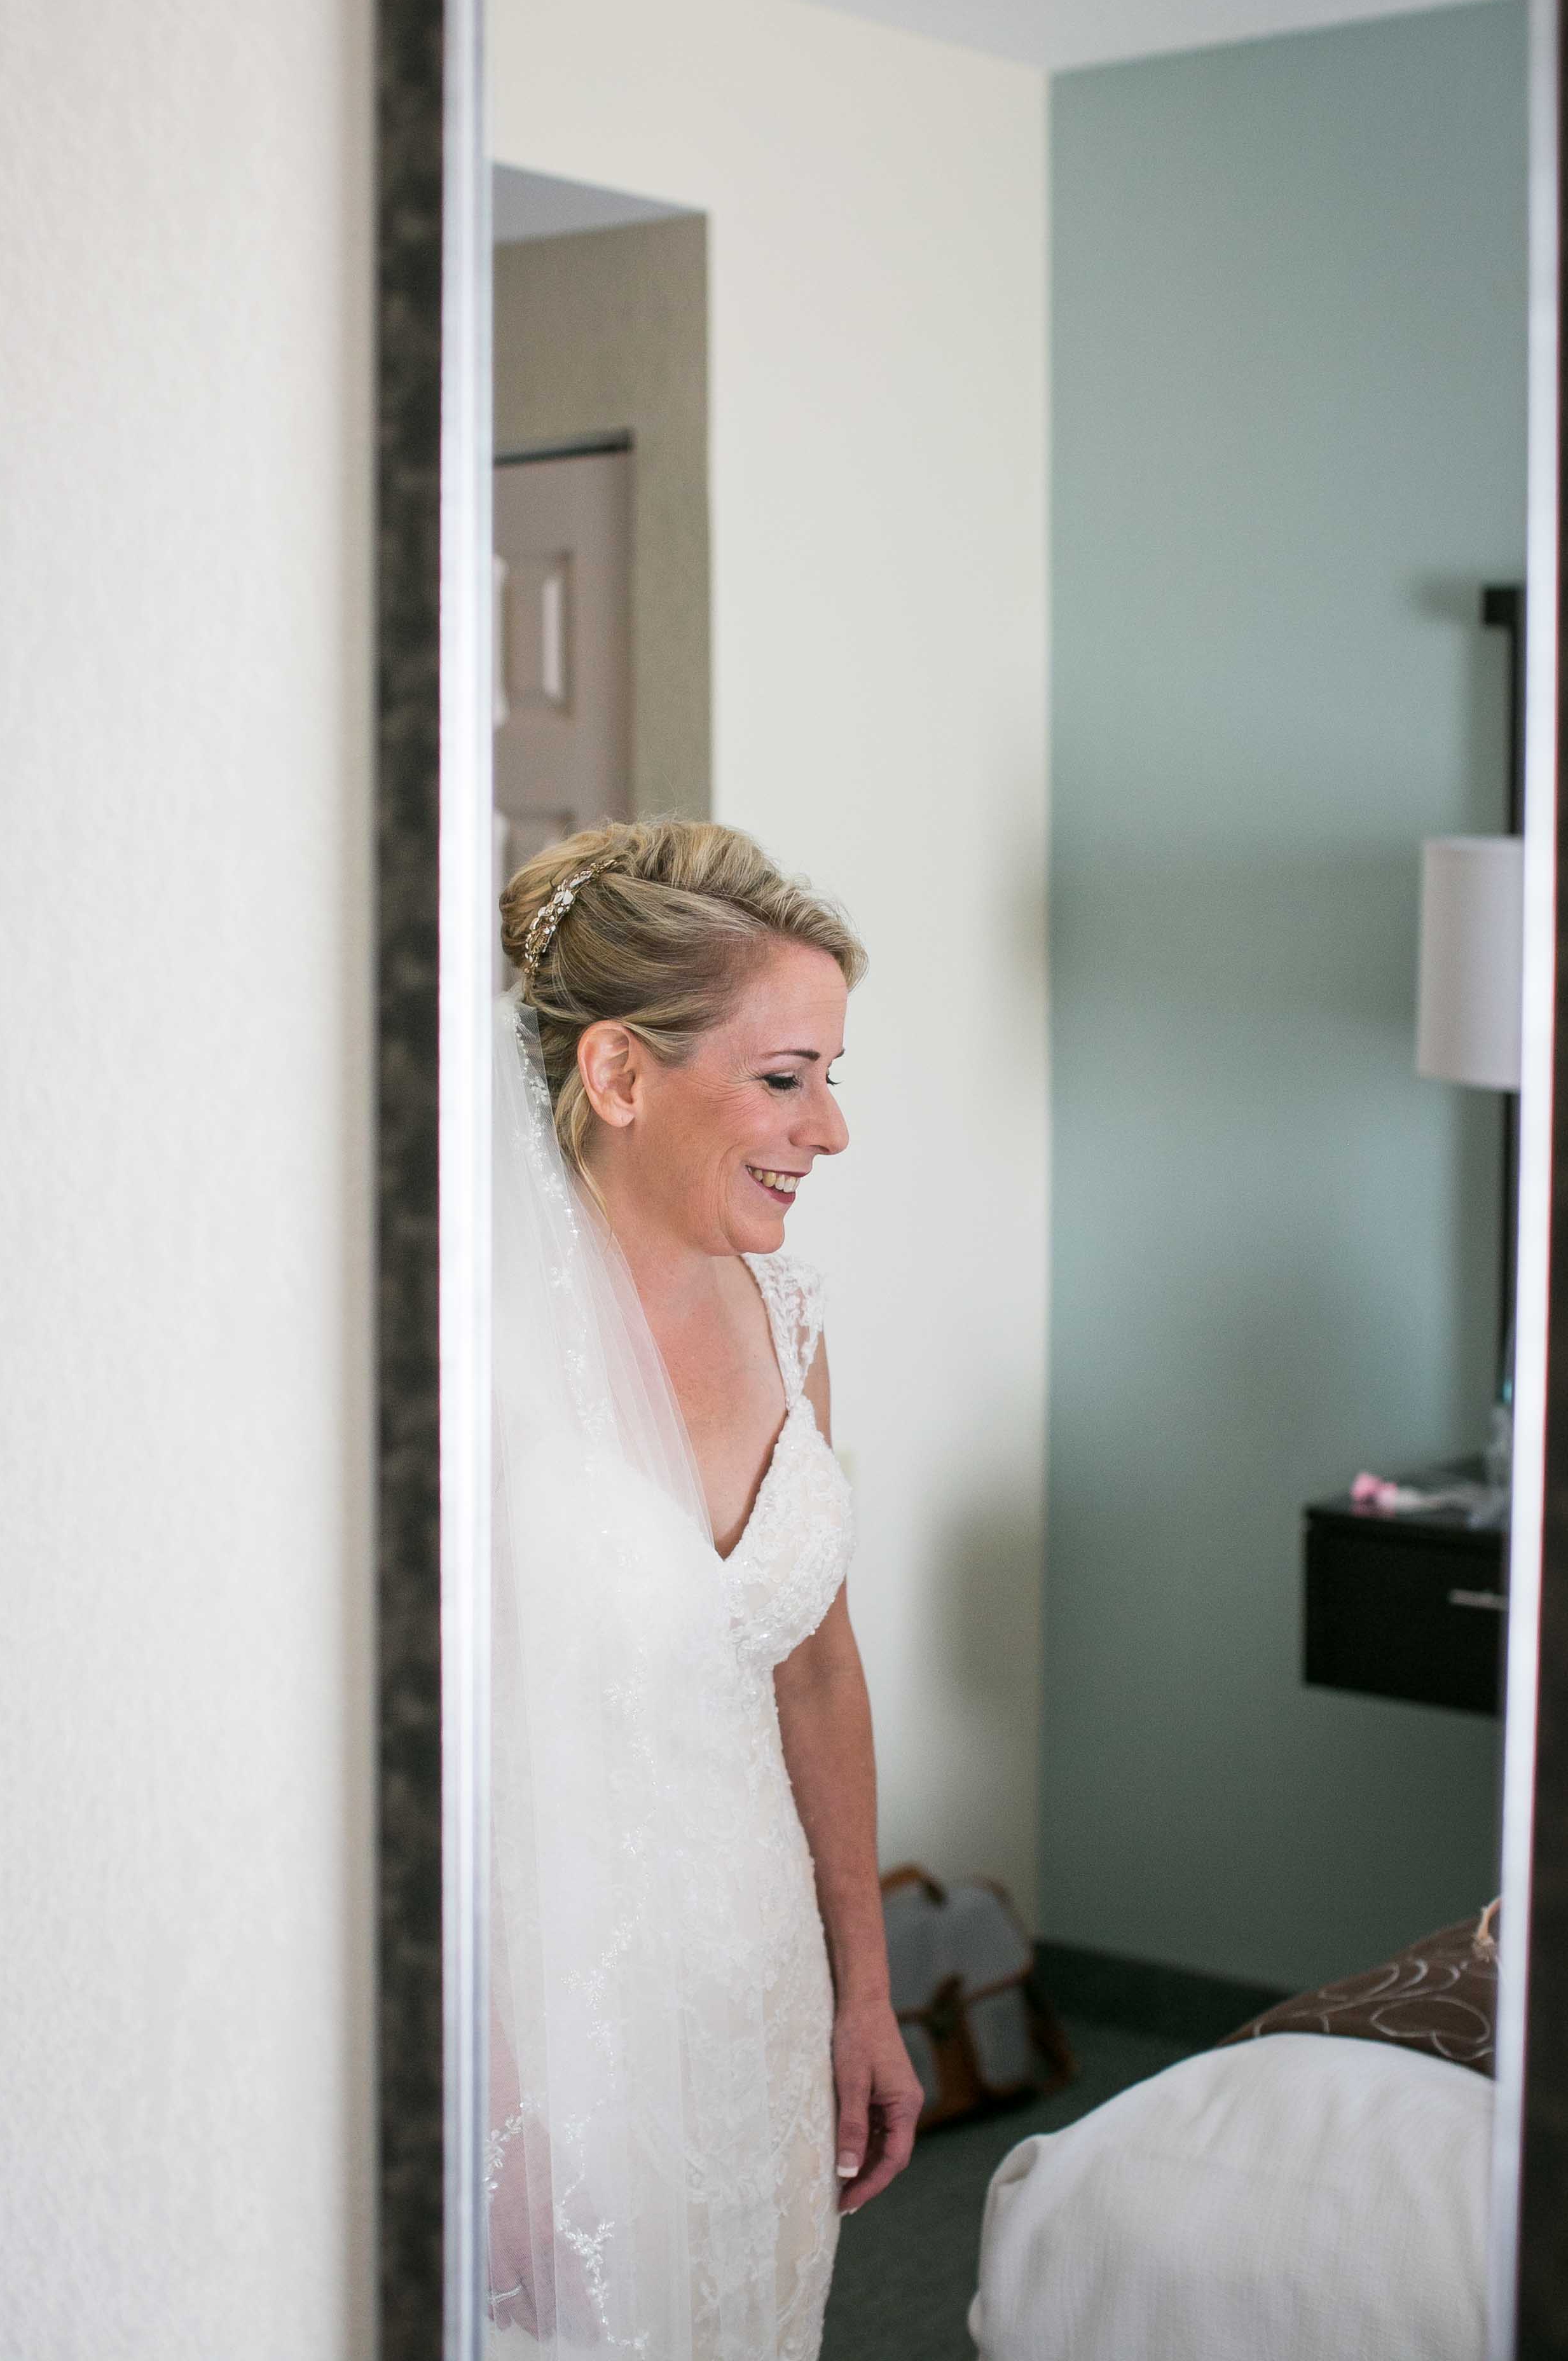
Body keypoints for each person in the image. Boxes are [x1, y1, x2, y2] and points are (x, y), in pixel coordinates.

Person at [487, 820, 922, 2359]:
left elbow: (816, 1668)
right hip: (547, 2040)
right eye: (786, 1078)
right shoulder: (478, 1364)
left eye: (831, 1077)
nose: (831, 1131)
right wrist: (489, 2100)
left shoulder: (789, 1318)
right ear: (618, 1074)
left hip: (757, 1997)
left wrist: (863, 1993)